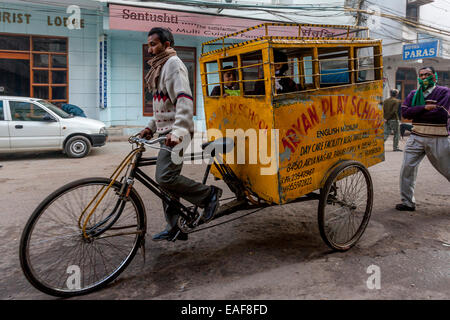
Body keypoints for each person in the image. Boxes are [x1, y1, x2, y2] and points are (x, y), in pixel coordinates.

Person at [139, 27, 222, 241]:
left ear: (167, 45)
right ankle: (174, 226)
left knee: (165, 176)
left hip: (179, 132)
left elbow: (184, 101)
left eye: (154, 44)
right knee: (166, 182)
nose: (150, 49)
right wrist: (150, 127)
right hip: (166, 132)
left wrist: (177, 132)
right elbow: (162, 108)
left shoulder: (174, 65)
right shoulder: (159, 67)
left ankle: (208, 195)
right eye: (149, 45)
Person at [396, 66, 450, 212]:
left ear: (434, 76)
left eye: (428, 74)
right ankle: (407, 202)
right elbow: (405, 113)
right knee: (407, 169)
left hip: (438, 138)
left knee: (448, 170)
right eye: (422, 75)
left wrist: (417, 111)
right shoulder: (414, 93)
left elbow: (441, 114)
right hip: (416, 136)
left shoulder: (444, 91)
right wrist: (425, 108)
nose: (424, 77)